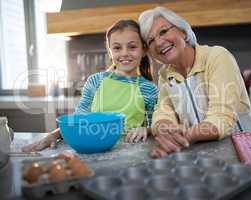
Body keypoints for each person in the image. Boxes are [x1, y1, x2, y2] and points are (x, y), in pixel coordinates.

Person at [138, 7, 251, 158]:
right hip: (209, 153)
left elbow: (221, 118)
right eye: (150, 40)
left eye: (163, 31)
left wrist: (183, 137)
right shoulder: (165, 75)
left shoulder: (216, 57)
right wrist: (165, 130)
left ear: (183, 31)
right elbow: (163, 112)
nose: (159, 42)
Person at [22, 19, 158, 152]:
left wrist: (146, 129)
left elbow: (156, 126)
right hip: (92, 148)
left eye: (132, 47)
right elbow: (78, 119)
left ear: (144, 49)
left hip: (129, 152)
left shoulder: (149, 89)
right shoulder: (95, 81)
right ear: (110, 51)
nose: (124, 53)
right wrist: (53, 136)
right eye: (117, 48)